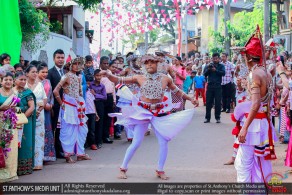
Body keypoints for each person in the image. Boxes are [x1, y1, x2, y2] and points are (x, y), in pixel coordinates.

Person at [102, 54, 198, 180]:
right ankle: (123, 168)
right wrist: (108, 75)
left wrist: (190, 98)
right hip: (143, 112)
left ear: (158, 64)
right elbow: (119, 80)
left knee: (164, 142)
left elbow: (178, 92)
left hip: (159, 112)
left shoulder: (165, 79)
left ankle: (160, 169)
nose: (149, 65)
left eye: (152, 62)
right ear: (143, 65)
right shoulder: (139, 77)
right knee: (136, 142)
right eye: (146, 63)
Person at [234, 26, 277, 183]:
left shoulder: (254, 74)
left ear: (250, 57)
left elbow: (255, 103)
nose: (243, 58)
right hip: (262, 122)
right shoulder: (265, 72)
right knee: (259, 162)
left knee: (243, 164)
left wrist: (244, 128)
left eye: (244, 54)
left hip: (254, 125)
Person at [53, 57, 91, 163]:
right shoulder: (66, 76)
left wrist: (81, 105)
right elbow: (56, 91)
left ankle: (80, 153)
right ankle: (67, 155)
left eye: (79, 64)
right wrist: (62, 104)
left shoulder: (78, 77)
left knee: (82, 130)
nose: (78, 66)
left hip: (78, 106)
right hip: (69, 107)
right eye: (76, 63)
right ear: (70, 65)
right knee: (68, 130)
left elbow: (79, 93)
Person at [13, 72, 36, 176]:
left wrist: (22, 119)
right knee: (13, 144)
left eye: (24, 80)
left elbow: (32, 107)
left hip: (25, 122)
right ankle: (13, 168)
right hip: (12, 121)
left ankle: (25, 168)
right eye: (20, 79)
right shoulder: (10, 92)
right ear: (14, 80)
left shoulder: (28, 93)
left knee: (25, 143)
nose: (23, 81)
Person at [25, 65, 47, 170]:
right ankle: (28, 162)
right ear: (27, 74)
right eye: (32, 72)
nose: (34, 74)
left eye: (35, 72)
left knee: (39, 136)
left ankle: (38, 162)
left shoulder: (40, 85)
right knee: (28, 136)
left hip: (39, 112)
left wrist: (38, 111)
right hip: (27, 113)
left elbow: (44, 99)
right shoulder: (23, 85)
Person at [0, 72, 18, 182]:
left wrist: (15, 109)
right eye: (5, 79)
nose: (8, 82)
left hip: (10, 123)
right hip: (0, 122)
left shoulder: (14, 93)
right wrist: (1, 108)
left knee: (11, 147)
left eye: (10, 80)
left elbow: (17, 108)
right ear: (1, 81)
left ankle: (11, 172)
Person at [47, 49, 65, 158]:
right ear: (54, 59)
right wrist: (52, 106)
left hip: (65, 105)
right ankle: (56, 151)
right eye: (58, 57)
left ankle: (61, 148)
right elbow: (49, 91)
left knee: (62, 128)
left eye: (62, 57)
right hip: (55, 106)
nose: (60, 60)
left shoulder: (65, 72)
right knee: (55, 128)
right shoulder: (50, 73)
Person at [37, 62, 56, 162]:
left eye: (46, 72)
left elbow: (51, 95)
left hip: (48, 109)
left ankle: (47, 155)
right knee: (40, 131)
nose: (44, 74)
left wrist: (51, 104)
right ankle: (39, 156)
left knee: (48, 131)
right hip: (39, 110)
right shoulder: (35, 82)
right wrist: (44, 105)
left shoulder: (48, 81)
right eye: (42, 72)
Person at [204, 53, 225, 123]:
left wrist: (215, 70)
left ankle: (217, 117)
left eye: (216, 58)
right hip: (210, 86)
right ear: (212, 58)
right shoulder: (208, 65)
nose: (215, 60)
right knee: (208, 102)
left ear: (219, 58)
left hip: (218, 86)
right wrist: (209, 69)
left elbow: (223, 73)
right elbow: (204, 74)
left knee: (218, 102)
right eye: (214, 58)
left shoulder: (221, 66)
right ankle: (207, 118)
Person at [89, 69, 107, 149]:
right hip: (91, 104)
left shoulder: (102, 86)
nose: (99, 77)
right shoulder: (91, 85)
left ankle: (99, 141)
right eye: (97, 75)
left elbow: (105, 97)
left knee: (100, 122)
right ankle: (91, 142)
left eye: (100, 75)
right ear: (94, 76)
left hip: (100, 104)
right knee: (92, 123)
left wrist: (95, 95)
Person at [100, 56, 115, 144]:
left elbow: (113, 87)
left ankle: (106, 136)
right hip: (101, 97)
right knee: (101, 117)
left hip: (110, 97)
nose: (106, 65)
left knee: (108, 118)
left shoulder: (110, 73)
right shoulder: (98, 73)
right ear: (101, 64)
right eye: (104, 63)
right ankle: (100, 137)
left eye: (107, 63)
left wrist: (114, 100)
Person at [85, 76, 100, 150]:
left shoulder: (91, 91)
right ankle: (84, 143)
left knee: (92, 129)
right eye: (86, 83)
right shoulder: (81, 92)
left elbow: (93, 103)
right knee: (84, 129)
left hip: (92, 112)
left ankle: (92, 143)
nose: (87, 85)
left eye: (89, 83)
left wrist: (96, 113)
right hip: (84, 112)